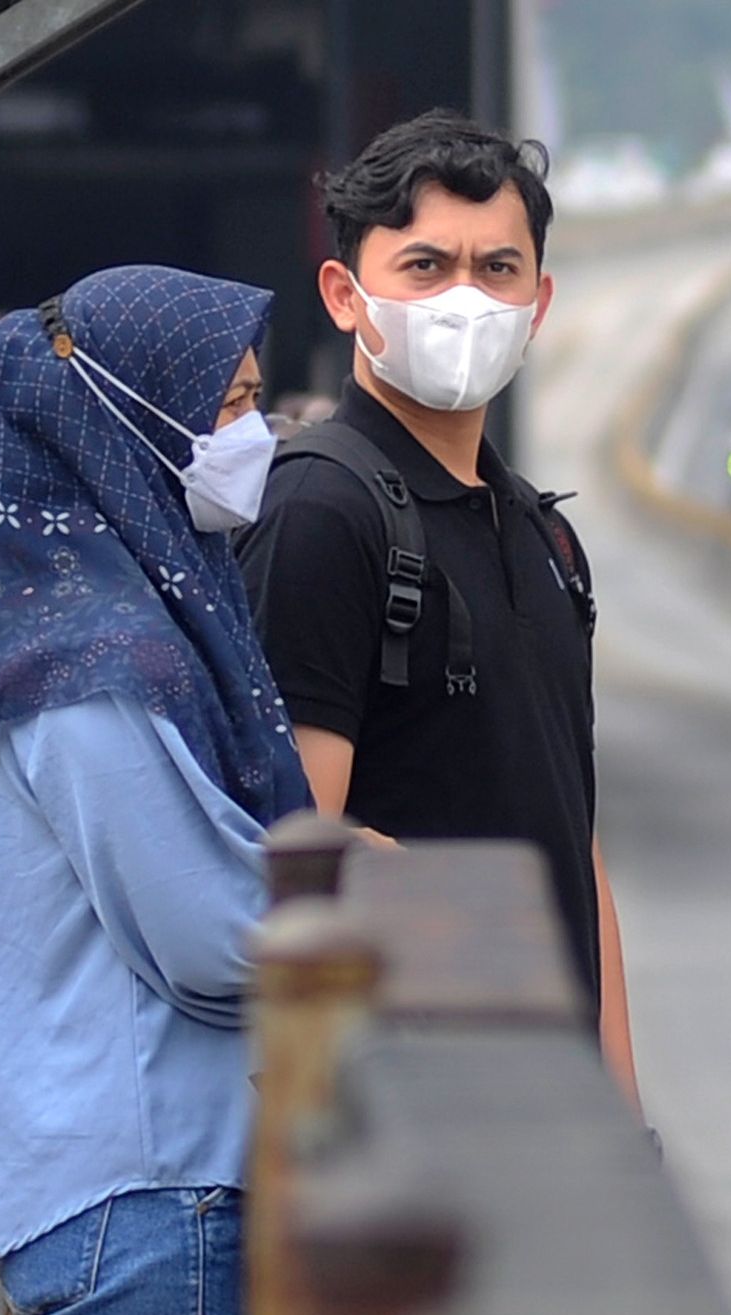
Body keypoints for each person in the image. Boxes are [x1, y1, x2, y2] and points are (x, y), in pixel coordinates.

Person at [0, 264, 308, 1315]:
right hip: (157, 1202)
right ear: (132, 417)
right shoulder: (91, 665)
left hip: (160, 1199)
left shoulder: (116, 622)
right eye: (230, 406)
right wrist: (370, 912)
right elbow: (210, 940)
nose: (258, 433)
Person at [235, 111, 635, 1095]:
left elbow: (571, 843)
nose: (465, 297)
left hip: (549, 1112)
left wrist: (620, 1112)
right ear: (345, 293)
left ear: (538, 303)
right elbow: (293, 858)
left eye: (497, 270)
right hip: (405, 1119)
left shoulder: (541, 534)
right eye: (424, 266)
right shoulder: (322, 513)